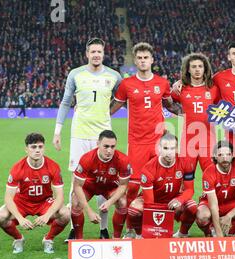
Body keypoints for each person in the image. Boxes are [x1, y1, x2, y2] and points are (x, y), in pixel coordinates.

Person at [53, 37, 122, 240]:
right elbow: (66, 102)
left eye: (99, 52)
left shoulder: (114, 76)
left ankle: (103, 229)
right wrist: (57, 131)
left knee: (104, 181)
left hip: (103, 136)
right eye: (92, 52)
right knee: (77, 181)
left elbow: (121, 99)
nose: (96, 55)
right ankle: (75, 228)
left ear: (103, 53)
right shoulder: (76, 74)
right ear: (87, 54)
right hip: (80, 134)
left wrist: (107, 113)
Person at [111, 42, 180, 234]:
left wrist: (187, 111)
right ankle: (130, 229)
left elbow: (171, 106)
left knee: (160, 185)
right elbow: (112, 108)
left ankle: (155, 227)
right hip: (137, 143)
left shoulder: (162, 83)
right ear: (135, 60)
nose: (142, 61)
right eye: (139, 58)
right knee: (132, 188)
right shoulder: (127, 84)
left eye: (146, 57)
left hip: (159, 143)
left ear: (152, 60)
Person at [0, 133, 69, 254]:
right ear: (26, 149)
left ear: (44, 148)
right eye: (33, 147)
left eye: (40, 147)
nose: (37, 150)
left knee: (65, 214)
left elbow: (60, 196)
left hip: (44, 201)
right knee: (0, 217)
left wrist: (47, 215)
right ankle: (18, 239)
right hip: (22, 202)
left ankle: (48, 239)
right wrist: (20, 218)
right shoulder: (17, 168)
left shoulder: (53, 167)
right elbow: (8, 198)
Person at [126, 132, 197, 238]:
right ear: (159, 148)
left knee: (192, 207)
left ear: (177, 149)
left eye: (172, 148)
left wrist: (180, 200)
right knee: (133, 210)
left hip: (173, 199)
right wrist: (158, 229)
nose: (169, 152)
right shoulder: (148, 169)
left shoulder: (185, 162)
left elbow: (190, 190)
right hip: (153, 201)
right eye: (165, 148)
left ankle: (182, 234)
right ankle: (140, 235)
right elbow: (150, 203)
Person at [71, 130, 131, 239]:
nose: (109, 150)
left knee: (123, 202)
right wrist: (89, 211)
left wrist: (110, 202)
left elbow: (123, 185)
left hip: (110, 187)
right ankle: (79, 240)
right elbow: (77, 186)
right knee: (75, 202)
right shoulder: (87, 158)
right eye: (106, 146)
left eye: (113, 147)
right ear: (98, 144)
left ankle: (116, 238)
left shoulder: (123, 159)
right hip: (90, 186)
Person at [171, 52, 220, 173]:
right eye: (193, 67)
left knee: (212, 179)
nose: (197, 69)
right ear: (187, 69)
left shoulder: (214, 89)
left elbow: (222, 107)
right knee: (185, 180)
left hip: (209, 141)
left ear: (205, 69)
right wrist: (179, 112)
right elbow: (168, 103)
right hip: (188, 142)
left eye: (200, 66)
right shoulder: (180, 89)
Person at [196, 141, 235, 237]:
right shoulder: (208, 173)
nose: (225, 158)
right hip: (209, 203)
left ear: (232, 156)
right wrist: (219, 236)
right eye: (220, 155)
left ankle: (231, 232)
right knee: (202, 216)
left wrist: (229, 216)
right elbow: (213, 205)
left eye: (228, 154)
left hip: (230, 202)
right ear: (215, 156)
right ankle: (210, 233)